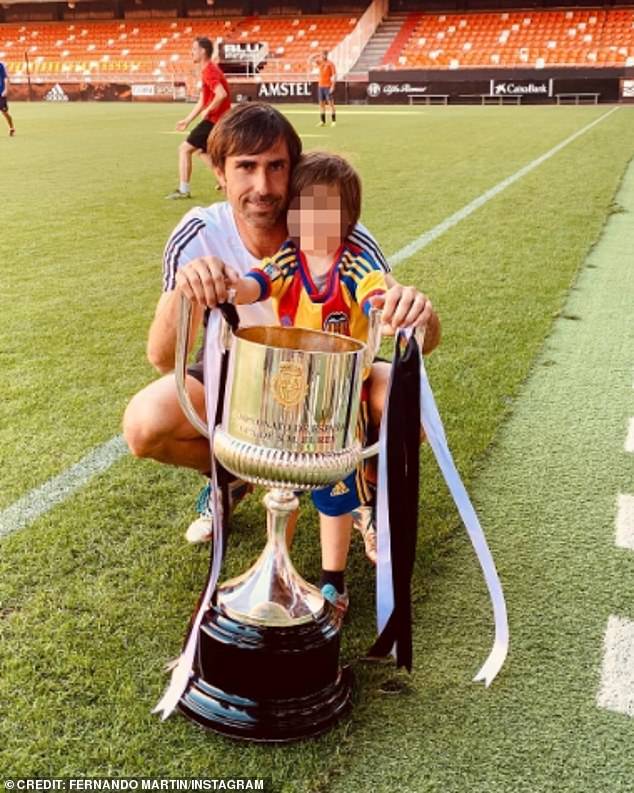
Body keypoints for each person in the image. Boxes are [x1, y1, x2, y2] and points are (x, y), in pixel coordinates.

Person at [123, 103, 440, 611]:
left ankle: (369, 495)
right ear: (218, 173)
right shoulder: (199, 232)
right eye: (245, 167)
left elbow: (415, 336)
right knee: (144, 423)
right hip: (236, 376)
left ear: (295, 170)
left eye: (276, 166)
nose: (263, 186)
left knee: (409, 399)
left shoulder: (336, 229)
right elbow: (164, 359)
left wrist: (417, 311)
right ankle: (239, 476)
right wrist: (187, 289)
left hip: (331, 383)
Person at [226, 150, 409, 613]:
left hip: (338, 399)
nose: (314, 220)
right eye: (305, 208)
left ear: (349, 217)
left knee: (334, 491)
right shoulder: (289, 258)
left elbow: (374, 293)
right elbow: (257, 283)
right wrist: (229, 288)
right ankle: (274, 566)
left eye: (328, 210)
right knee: (280, 479)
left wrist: (385, 305)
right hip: (289, 393)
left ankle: (333, 581)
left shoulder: (354, 264)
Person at [165, 37, 231, 200]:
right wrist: (187, 120)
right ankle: (224, 182)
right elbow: (203, 100)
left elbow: (221, 94)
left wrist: (208, 110)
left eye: (194, 49)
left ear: (202, 51)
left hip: (215, 120)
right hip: (218, 119)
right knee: (202, 151)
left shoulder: (209, 70)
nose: (191, 52)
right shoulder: (208, 70)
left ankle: (183, 190)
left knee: (184, 149)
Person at [310, 50, 336, 127]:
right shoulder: (320, 62)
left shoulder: (330, 64)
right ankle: (322, 121)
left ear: (327, 55)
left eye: (324, 55)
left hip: (328, 86)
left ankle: (333, 121)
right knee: (321, 104)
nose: (323, 56)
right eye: (322, 55)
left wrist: (333, 86)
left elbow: (334, 76)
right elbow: (310, 60)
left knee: (331, 104)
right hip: (321, 86)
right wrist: (316, 54)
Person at [0, 61, 15, 137]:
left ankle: (11, 127)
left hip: (1, 93)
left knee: (4, 112)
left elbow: (5, 78)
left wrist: (6, 89)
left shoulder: (1, 65)